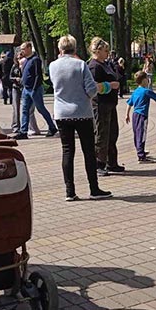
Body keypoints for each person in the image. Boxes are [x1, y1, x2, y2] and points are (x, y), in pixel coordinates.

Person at [50, 35, 112, 201]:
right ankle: (94, 189)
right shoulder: (80, 64)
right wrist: (100, 89)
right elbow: (91, 90)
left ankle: (70, 191)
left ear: (60, 49)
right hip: (82, 113)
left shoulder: (53, 66)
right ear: (75, 48)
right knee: (88, 151)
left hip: (61, 113)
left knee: (67, 151)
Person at [88, 38, 125, 173]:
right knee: (101, 134)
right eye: (105, 50)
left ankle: (112, 162)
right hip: (100, 104)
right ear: (97, 51)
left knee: (112, 133)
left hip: (110, 103)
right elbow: (94, 87)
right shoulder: (94, 66)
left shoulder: (105, 64)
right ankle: (99, 164)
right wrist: (110, 85)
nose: (107, 53)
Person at [11, 42, 58, 139]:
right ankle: (23, 131)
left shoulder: (35, 60)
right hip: (26, 89)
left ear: (29, 48)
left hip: (34, 89)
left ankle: (52, 127)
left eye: (23, 49)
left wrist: (34, 88)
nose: (22, 51)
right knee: (25, 110)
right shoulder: (26, 60)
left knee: (41, 109)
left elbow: (38, 75)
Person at [127, 71, 156, 161]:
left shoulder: (135, 91)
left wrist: (127, 115)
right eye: (147, 78)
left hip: (135, 115)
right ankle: (141, 155)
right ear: (144, 80)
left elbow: (129, 103)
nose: (148, 80)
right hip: (142, 115)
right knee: (142, 134)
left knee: (136, 133)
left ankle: (140, 150)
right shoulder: (146, 91)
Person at [10, 49, 40, 135]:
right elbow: (10, 77)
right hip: (16, 88)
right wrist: (15, 79)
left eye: (21, 57)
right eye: (18, 58)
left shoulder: (28, 64)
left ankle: (31, 128)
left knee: (29, 109)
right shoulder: (15, 66)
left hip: (26, 88)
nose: (19, 59)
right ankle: (16, 127)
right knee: (16, 108)